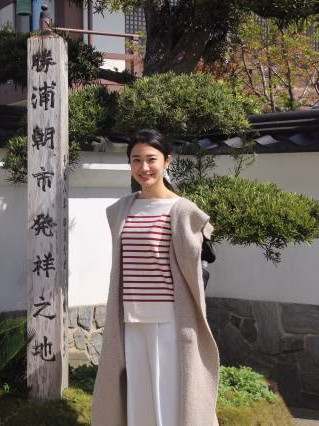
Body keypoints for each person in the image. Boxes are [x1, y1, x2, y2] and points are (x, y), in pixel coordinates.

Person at [92, 129, 220, 426]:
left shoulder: (183, 211)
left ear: (167, 161)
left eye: (151, 159)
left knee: (170, 399)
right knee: (139, 402)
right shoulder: (121, 210)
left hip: (169, 321)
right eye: (136, 160)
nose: (144, 167)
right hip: (131, 320)